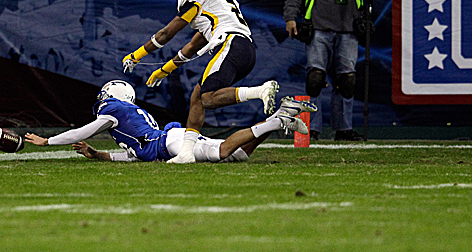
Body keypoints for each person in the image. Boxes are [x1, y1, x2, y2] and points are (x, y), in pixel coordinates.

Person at [122, 0, 279, 164]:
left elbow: (168, 32)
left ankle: (260, 91)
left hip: (230, 44)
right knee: (197, 96)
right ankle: (186, 153)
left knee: (207, 98)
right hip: (244, 50)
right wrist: (164, 69)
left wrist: (137, 54)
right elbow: (193, 46)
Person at [25, 80, 315, 163]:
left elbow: (84, 130)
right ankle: (276, 119)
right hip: (168, 141)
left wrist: (47, 140)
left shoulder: (115, 110)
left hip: (171, 143)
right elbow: (127, 156)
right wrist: (94, 153)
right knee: (238, 155)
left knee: (223, 151)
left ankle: (277, 122)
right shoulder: (130, 124)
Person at [283, 0, 384, 141]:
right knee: (315, 78)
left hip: (349, 29)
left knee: (347, 80)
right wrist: (290, 17)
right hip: (318, 28)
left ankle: (343, 129)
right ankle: (311, 128)